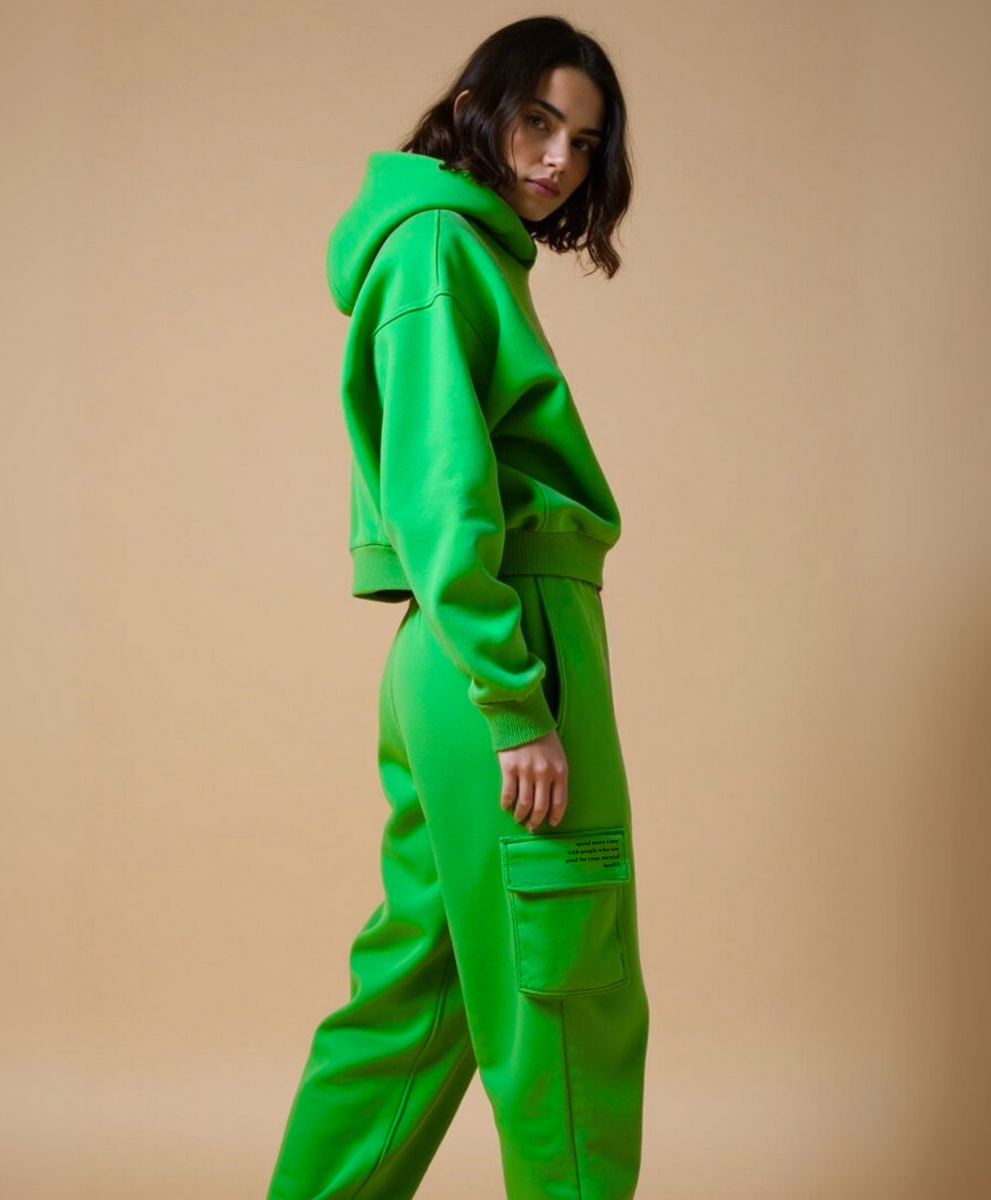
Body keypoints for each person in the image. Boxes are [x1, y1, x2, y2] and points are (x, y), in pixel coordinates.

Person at [267, 16, 649, 1200]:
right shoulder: (440, 246)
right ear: (481, 107)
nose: (559, 160)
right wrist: (515, 699)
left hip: (461, 646)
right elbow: (441, 491)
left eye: (584, 142)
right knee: (565, 999)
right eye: (539, 121)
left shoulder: (458, 248)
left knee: (418, 997)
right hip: (501, 637)